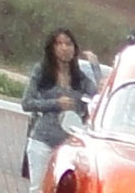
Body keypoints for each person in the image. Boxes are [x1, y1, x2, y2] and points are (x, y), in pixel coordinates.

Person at [21, 30, 94, 184]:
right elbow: (27, 103)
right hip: (42, 141)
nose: (64, 48)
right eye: (59, 44)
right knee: (37, 191)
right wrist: (56, 103)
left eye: (68, 44)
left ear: (74, 48)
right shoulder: (41, 71)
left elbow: (98, 97)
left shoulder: (80, 78)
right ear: (52, 48)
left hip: (67, 148)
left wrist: (95, 67)